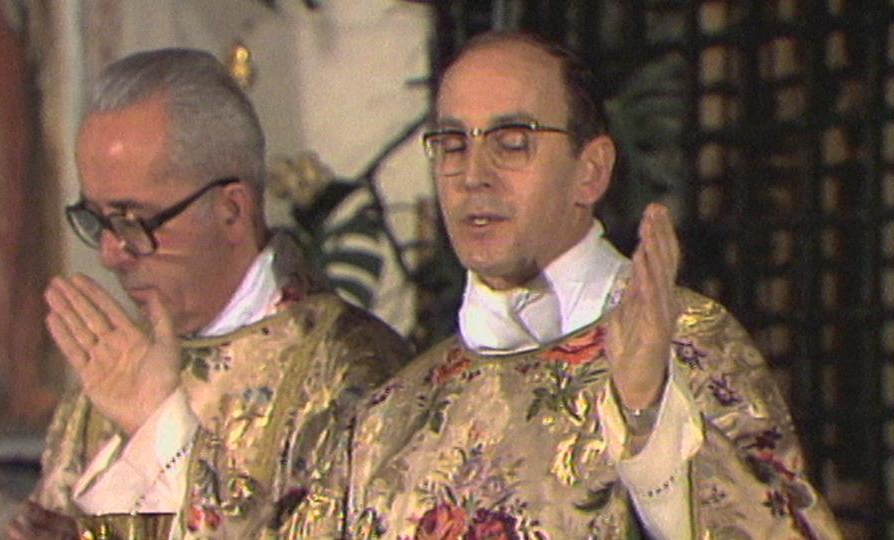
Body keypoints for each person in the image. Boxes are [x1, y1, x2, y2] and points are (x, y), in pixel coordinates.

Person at [333, 32, 843, 539]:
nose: (473, 175)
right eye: (451, 145)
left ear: (591, 171)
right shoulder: (393, 415)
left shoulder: (686, 345)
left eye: (512, 143)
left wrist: (647, 421)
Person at [7, 48, 410, 540]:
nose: (111, 254)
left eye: (132, 221)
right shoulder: (115, 363)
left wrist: (159, 432)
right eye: (97, 220)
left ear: (231, 210)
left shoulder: (349, 374)